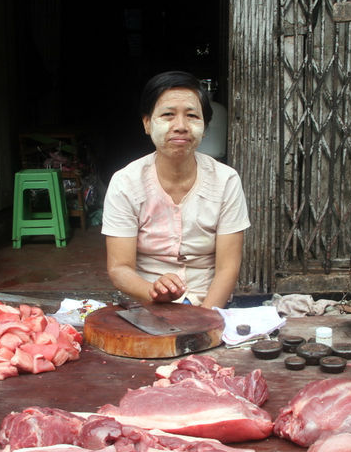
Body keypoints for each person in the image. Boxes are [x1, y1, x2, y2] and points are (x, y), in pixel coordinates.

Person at [101, 71, 249, 309]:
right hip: (147, 305)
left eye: (192, 116)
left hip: (210, 303)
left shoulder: (226, 181)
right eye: (168, 115)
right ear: (147, 123)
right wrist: (152, 290)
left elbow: (227, 267)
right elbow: (120, 268)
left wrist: (206, 318)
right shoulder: (125, 183)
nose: (180, 126)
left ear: (205, 126)